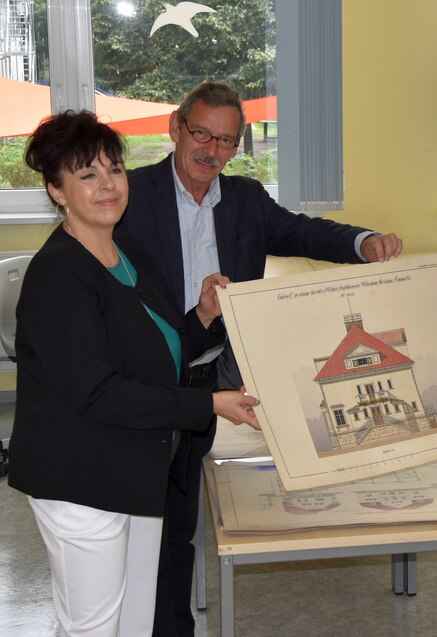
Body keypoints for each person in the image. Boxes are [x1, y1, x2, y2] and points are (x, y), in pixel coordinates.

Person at [117, 80, 403, 636]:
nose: (210, 150)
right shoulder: (129, 195)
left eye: (226, 141)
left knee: (179, 513)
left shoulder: (245, 199)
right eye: (200, 133)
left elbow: (303, 232)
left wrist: (363, 242)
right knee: (142, 519)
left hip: (208, 372)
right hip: (149, 370)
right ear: (175, 128)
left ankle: (173, 627)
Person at [8, 111, 261, 636]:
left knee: (135, 622)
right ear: (57, 191)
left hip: (139, 471)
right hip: (80, 481)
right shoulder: (58, 274)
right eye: (87, 175)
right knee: (94, 627)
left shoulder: (131, 252)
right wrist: (209, 404)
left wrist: (204, 317)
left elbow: (157, 357)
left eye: (115, 169)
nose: (108, 185)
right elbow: (101, 393)